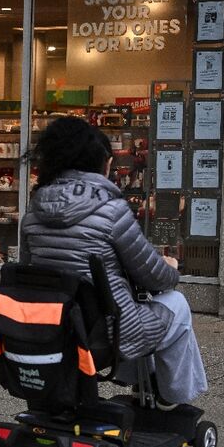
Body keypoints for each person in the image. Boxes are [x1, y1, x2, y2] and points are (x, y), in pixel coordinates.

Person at [21, 116, 207, 410]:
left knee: (128, 306)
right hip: (106, 334)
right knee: (175, 303)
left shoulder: (33, 212)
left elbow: (28, 274)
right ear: (104, 164)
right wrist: (170, 268)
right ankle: (171, 399)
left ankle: (139, 387)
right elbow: (154, 277)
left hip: (51, 331)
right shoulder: (112, 211)